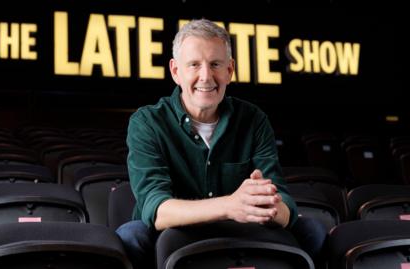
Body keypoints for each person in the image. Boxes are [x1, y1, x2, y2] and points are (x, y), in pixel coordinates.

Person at [116, 18, 326, 268]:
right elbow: (157, 208)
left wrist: (270, 205)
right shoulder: (147, 122)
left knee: (313, 230)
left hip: (242, 227)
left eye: (215, 64)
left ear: (230, 70)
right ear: (175, 72)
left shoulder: (253, 120)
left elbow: (284, 201)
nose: (206, 76)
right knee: (131, 237)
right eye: (194, 65)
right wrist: (229, 205)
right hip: (172, 231)